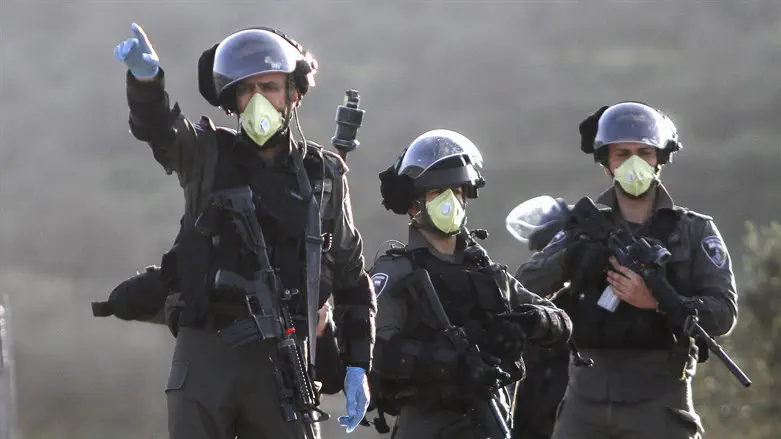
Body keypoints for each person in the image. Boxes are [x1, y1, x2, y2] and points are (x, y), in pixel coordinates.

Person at [112, 22, 376, 438]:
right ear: (232, 100)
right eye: (245, 90)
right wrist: (147, 83)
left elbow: (350, 278)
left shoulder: (323, 175)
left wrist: (358, 365)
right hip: (206, 352)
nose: (258, 101)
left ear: (293, 92)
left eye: (268, 87)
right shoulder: (207, 154)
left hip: (285, 358)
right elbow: (161, 130)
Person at [516, 102, 738, 439]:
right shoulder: (582, 227)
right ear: (606, 162)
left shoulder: (694, 231)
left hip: (661, 400)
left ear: (659, 158)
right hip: (584, 401)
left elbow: (723, 314)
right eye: (622, 153)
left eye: (644, 152)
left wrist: (660, 301)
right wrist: (571, 259)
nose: (634, 163)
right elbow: (522, 289)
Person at [368, 129, 572, 438]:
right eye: (437, 193)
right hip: (428, 424)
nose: (450, 201)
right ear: (414, 204)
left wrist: (534, 321)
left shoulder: (486, 272)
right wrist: (452, 365)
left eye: (457, 190)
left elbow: (560, 322)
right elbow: (379, 351)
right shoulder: (396, 272)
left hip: (493, 416)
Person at [91, 266, 346, 395]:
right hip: (220, 391)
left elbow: (332, 380)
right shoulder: (204, 273)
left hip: (276, 398)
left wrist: (321, 329)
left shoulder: (307, 287)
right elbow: (127, 300)